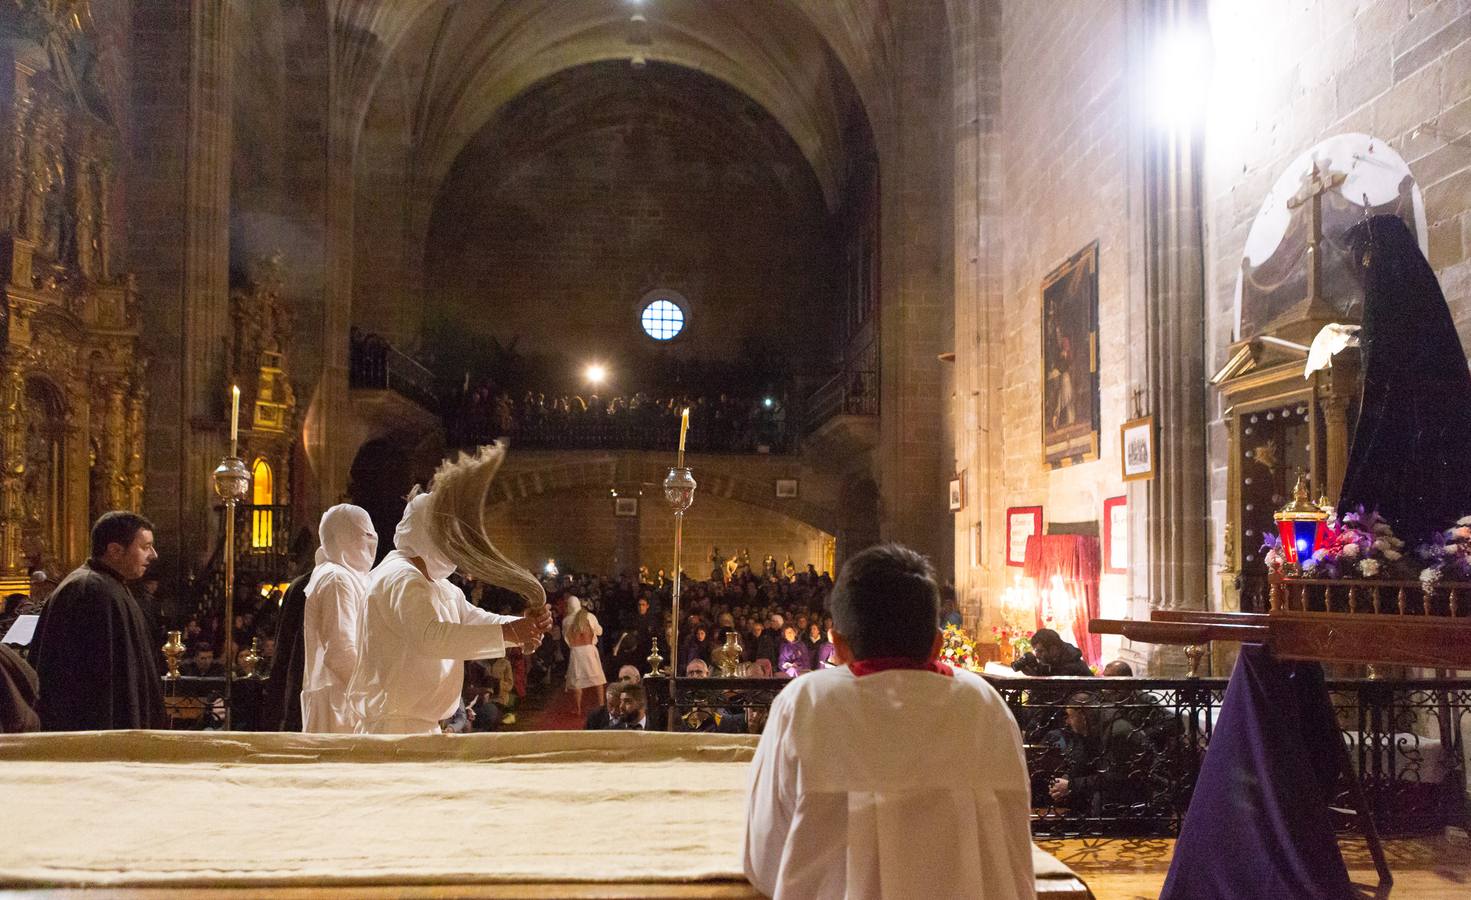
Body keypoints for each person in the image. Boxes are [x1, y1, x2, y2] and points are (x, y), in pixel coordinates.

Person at [744, 544, 1033, 899]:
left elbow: (763, 856)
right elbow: (1016, 851)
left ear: (838, 645)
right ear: (937, 644)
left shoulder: (806, 703)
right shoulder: (985, 704)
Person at [346, 492, 552, 734]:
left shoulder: (438, 584)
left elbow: (473, 620)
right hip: (393, 727)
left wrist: (520, 627)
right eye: (449, 537)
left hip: (419, 726)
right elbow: (430, 636)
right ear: (427, 533)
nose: (456, 546)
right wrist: (509, 631)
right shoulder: (400, 576)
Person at [30, 512, 165, 731]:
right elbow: (95, 681)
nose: (153, 555)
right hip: (94, 731)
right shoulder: (89, 590)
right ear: (115, 551)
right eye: (146, 546)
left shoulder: (109, 585)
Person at [300, 504, 377, 733]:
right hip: (340, 700)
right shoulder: (337, 580)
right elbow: (340, 652)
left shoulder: (340, 575)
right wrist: (374, 694)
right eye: (364, 535)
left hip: (343, 697)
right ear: (345, 537)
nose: (370, 543)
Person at [562, 595, 606, 717]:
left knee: (577, 680)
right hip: (590, 651)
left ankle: (578, 708)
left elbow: (566, 637)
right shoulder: (590, 616)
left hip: (576, 652)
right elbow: (599, 631)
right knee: (597, 678)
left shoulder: (566, 620)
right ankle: (601, 705)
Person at [1012, 628, 1093, 677]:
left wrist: (1036, 675)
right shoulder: (1052, 662)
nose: (1037, 655)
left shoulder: (1073, 665)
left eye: (1040, 651)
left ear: (1054, 649)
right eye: (1036, 651)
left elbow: (1056, 693)